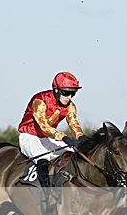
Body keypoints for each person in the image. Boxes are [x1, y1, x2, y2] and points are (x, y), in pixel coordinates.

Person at [17, 71, 87, 203]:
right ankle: (47, 194)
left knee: (73, 152)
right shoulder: (40, 100)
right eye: (66, 93)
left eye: (73, 93)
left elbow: (73, 123)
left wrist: (81, 137)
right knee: (42, 158)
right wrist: (63, 137)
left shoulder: (70, 106)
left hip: (48, 138)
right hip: (29, 136)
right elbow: (43, 126)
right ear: (56, 90)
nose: (69, 97)